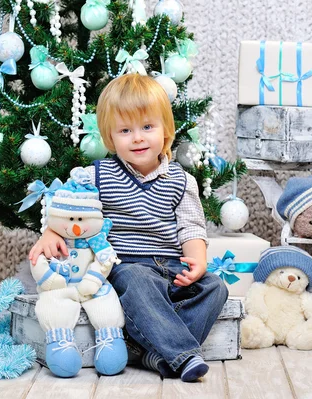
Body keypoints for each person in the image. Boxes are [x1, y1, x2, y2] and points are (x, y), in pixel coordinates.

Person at [30, 73, 228, 382]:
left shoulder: (181, 180)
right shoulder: (99, 175)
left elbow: (191, 227)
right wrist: (51, 232)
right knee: (137, 280)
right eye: (125, 130)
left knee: (215, 287)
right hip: (126, 266)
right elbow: (67, 207)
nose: (137, 138)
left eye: (147, 127)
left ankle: (150, 353)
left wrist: (197, 261)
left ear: (165, 131)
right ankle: (184, 354)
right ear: (110, 137)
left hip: (171, 267)